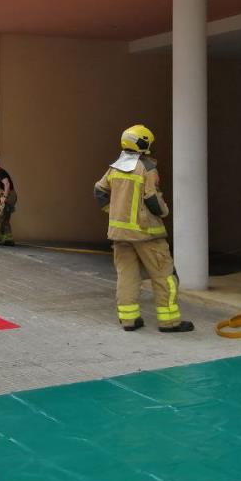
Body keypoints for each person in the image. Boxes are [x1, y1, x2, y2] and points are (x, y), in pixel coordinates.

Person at [94, 124, 193, 333]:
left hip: (120, 235)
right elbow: (152, 199)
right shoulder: (147, 168)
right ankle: (169, 322)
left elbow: (99, 191)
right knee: (164, 275)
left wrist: (113, 212)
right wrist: (164, 211)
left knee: (127, 276)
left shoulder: (115, 167)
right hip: (147, 234)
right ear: (143, 143)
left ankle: (129, 320)